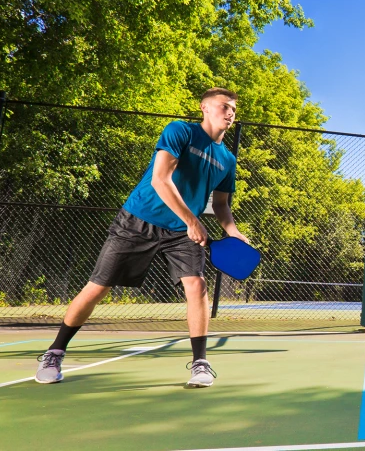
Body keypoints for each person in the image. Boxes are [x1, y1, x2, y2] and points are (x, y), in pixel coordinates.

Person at [35, 88, 249, 388]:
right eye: (224, 106)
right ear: (204, 108)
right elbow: (160, 179)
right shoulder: (180, 131)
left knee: (197, 286)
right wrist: (192, 220)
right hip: (139, 220)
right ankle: (54, 352)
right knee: (98, 287)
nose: (230, 113)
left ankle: (200, 362)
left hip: (182, 233)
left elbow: (221, 205)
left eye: (234, 109)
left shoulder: (226, 159)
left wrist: (233, 231)